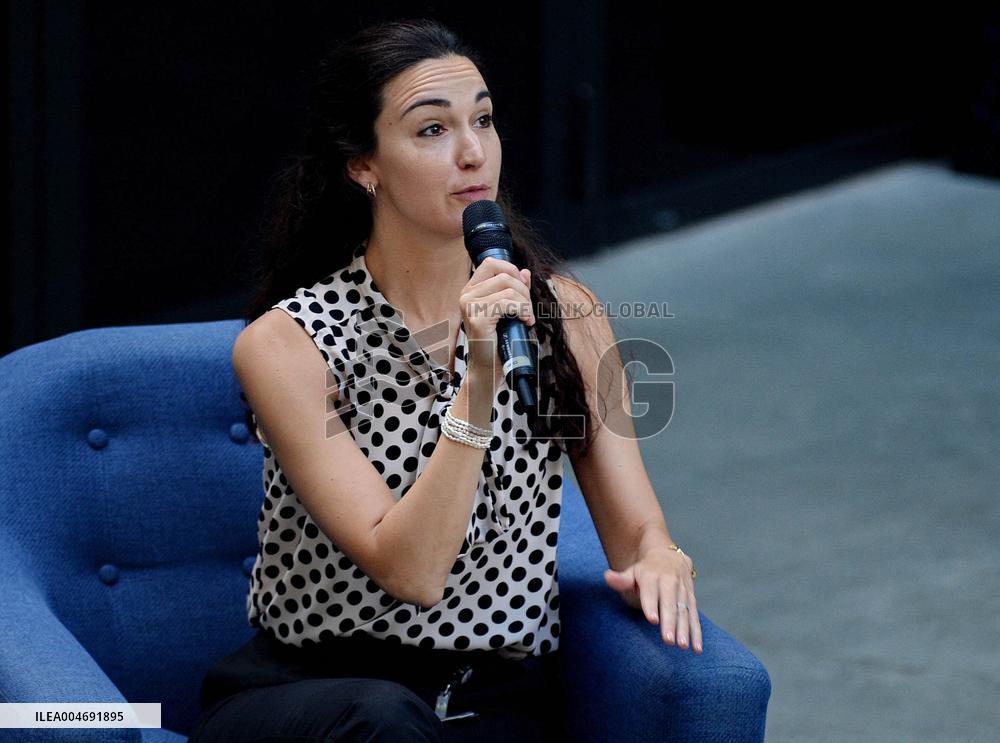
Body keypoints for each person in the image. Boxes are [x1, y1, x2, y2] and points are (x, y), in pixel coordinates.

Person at [190, 16, 701, 743]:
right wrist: (479, 382)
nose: (472, 153)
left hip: (489, 704)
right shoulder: (290, 343)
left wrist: (662, 558)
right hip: (318, 701)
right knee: (387, 722)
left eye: (484, 121)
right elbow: (414, 573)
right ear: (362, 165)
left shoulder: (568, 314)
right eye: (431, 130)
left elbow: (635, 532)